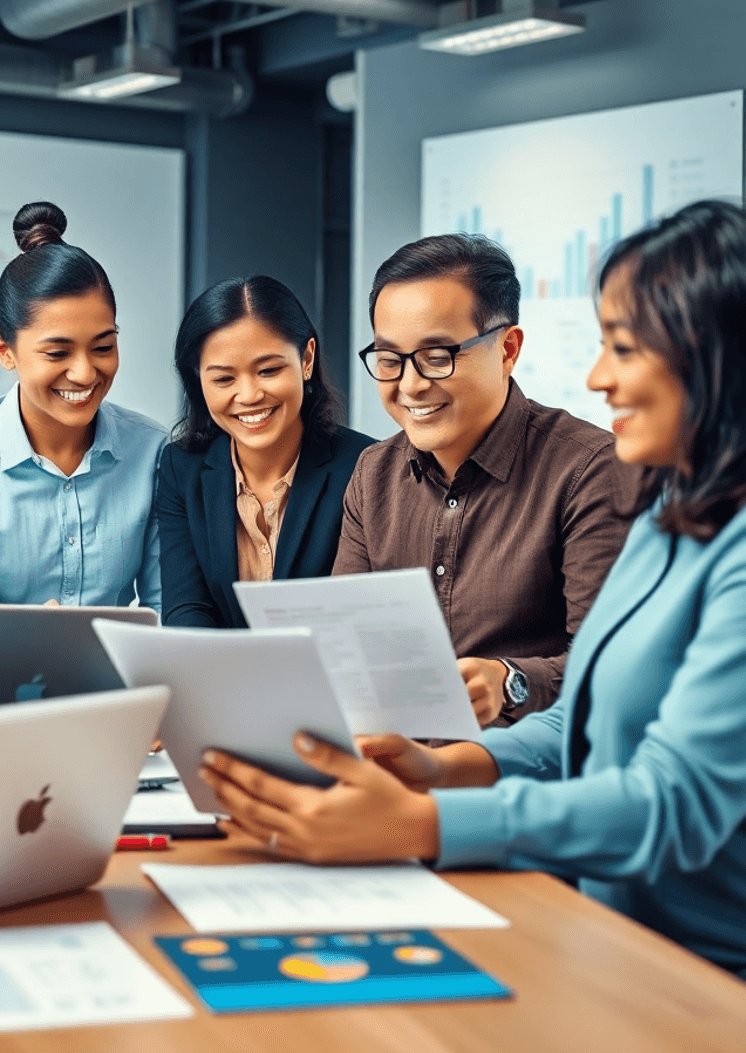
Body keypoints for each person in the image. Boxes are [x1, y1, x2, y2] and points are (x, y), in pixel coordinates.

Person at [201, 200, 746, 977]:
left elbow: (671, 800)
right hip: (601, 922)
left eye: (624, 349)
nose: (598, 377)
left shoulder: (671, 516)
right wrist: (448, 771)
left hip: (700, 969)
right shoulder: (675, 520)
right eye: (389, 357)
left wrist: (429, 821)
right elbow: (584, 725)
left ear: (714, 356)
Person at [334, 234, 634, 726]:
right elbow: (346, 649)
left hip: (523, 779)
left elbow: (609, 669)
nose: (410, 385)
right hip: (392, 766)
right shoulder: (373, 474)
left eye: (437, 356)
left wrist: (510, 680)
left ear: (508, 349)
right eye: (390, 360)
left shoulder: (589, 470)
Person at [0, 202, 165, 609]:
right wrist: (36, 644)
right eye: (57, 353)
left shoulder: (154, 454)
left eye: (103, 346)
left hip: (125, 674)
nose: (84, 373)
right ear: (5, 351)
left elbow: (166, 610)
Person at [157, 275, 372, 627]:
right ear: (198, 380)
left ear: (306, 359)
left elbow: (360, 618)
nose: (249, 395)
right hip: (220, 677)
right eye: (224, 379)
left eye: (268, 370)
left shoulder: (365, 466)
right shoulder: (181, 468)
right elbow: (187, 608)